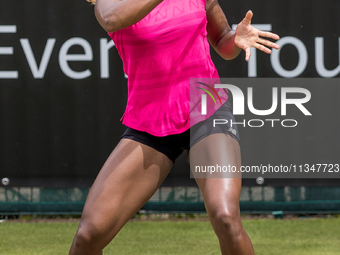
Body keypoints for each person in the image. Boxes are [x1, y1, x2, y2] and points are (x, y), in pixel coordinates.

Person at [69, 0, 280, 254]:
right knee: (88, 236)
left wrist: (235, 39)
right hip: (149, 124)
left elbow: (222, 40)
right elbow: (111, 18)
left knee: (226, 217)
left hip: (206, 109)